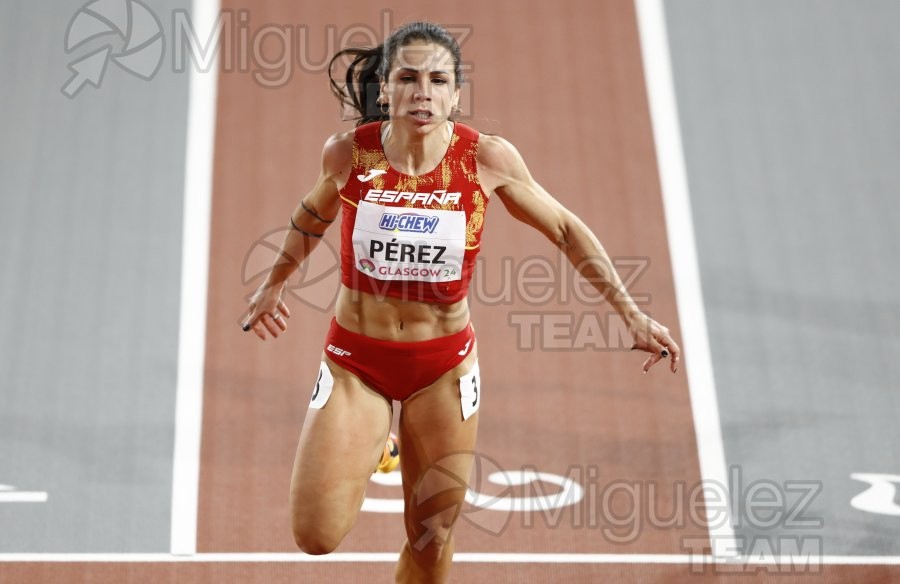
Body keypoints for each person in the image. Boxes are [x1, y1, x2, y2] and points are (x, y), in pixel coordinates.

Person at [241, 20, 680, 583]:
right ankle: (375, 437)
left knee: (431, 536)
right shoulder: (351, 154)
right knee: (316, 536)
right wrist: (274, 281)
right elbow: (314, 214)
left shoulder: (485, 160)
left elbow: (567, 230)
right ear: (386, 90)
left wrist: (630, 313)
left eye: (437, 80)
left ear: (455, 94)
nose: (423, 91)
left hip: (442, 371)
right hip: (356, 364)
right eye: (408, 77)